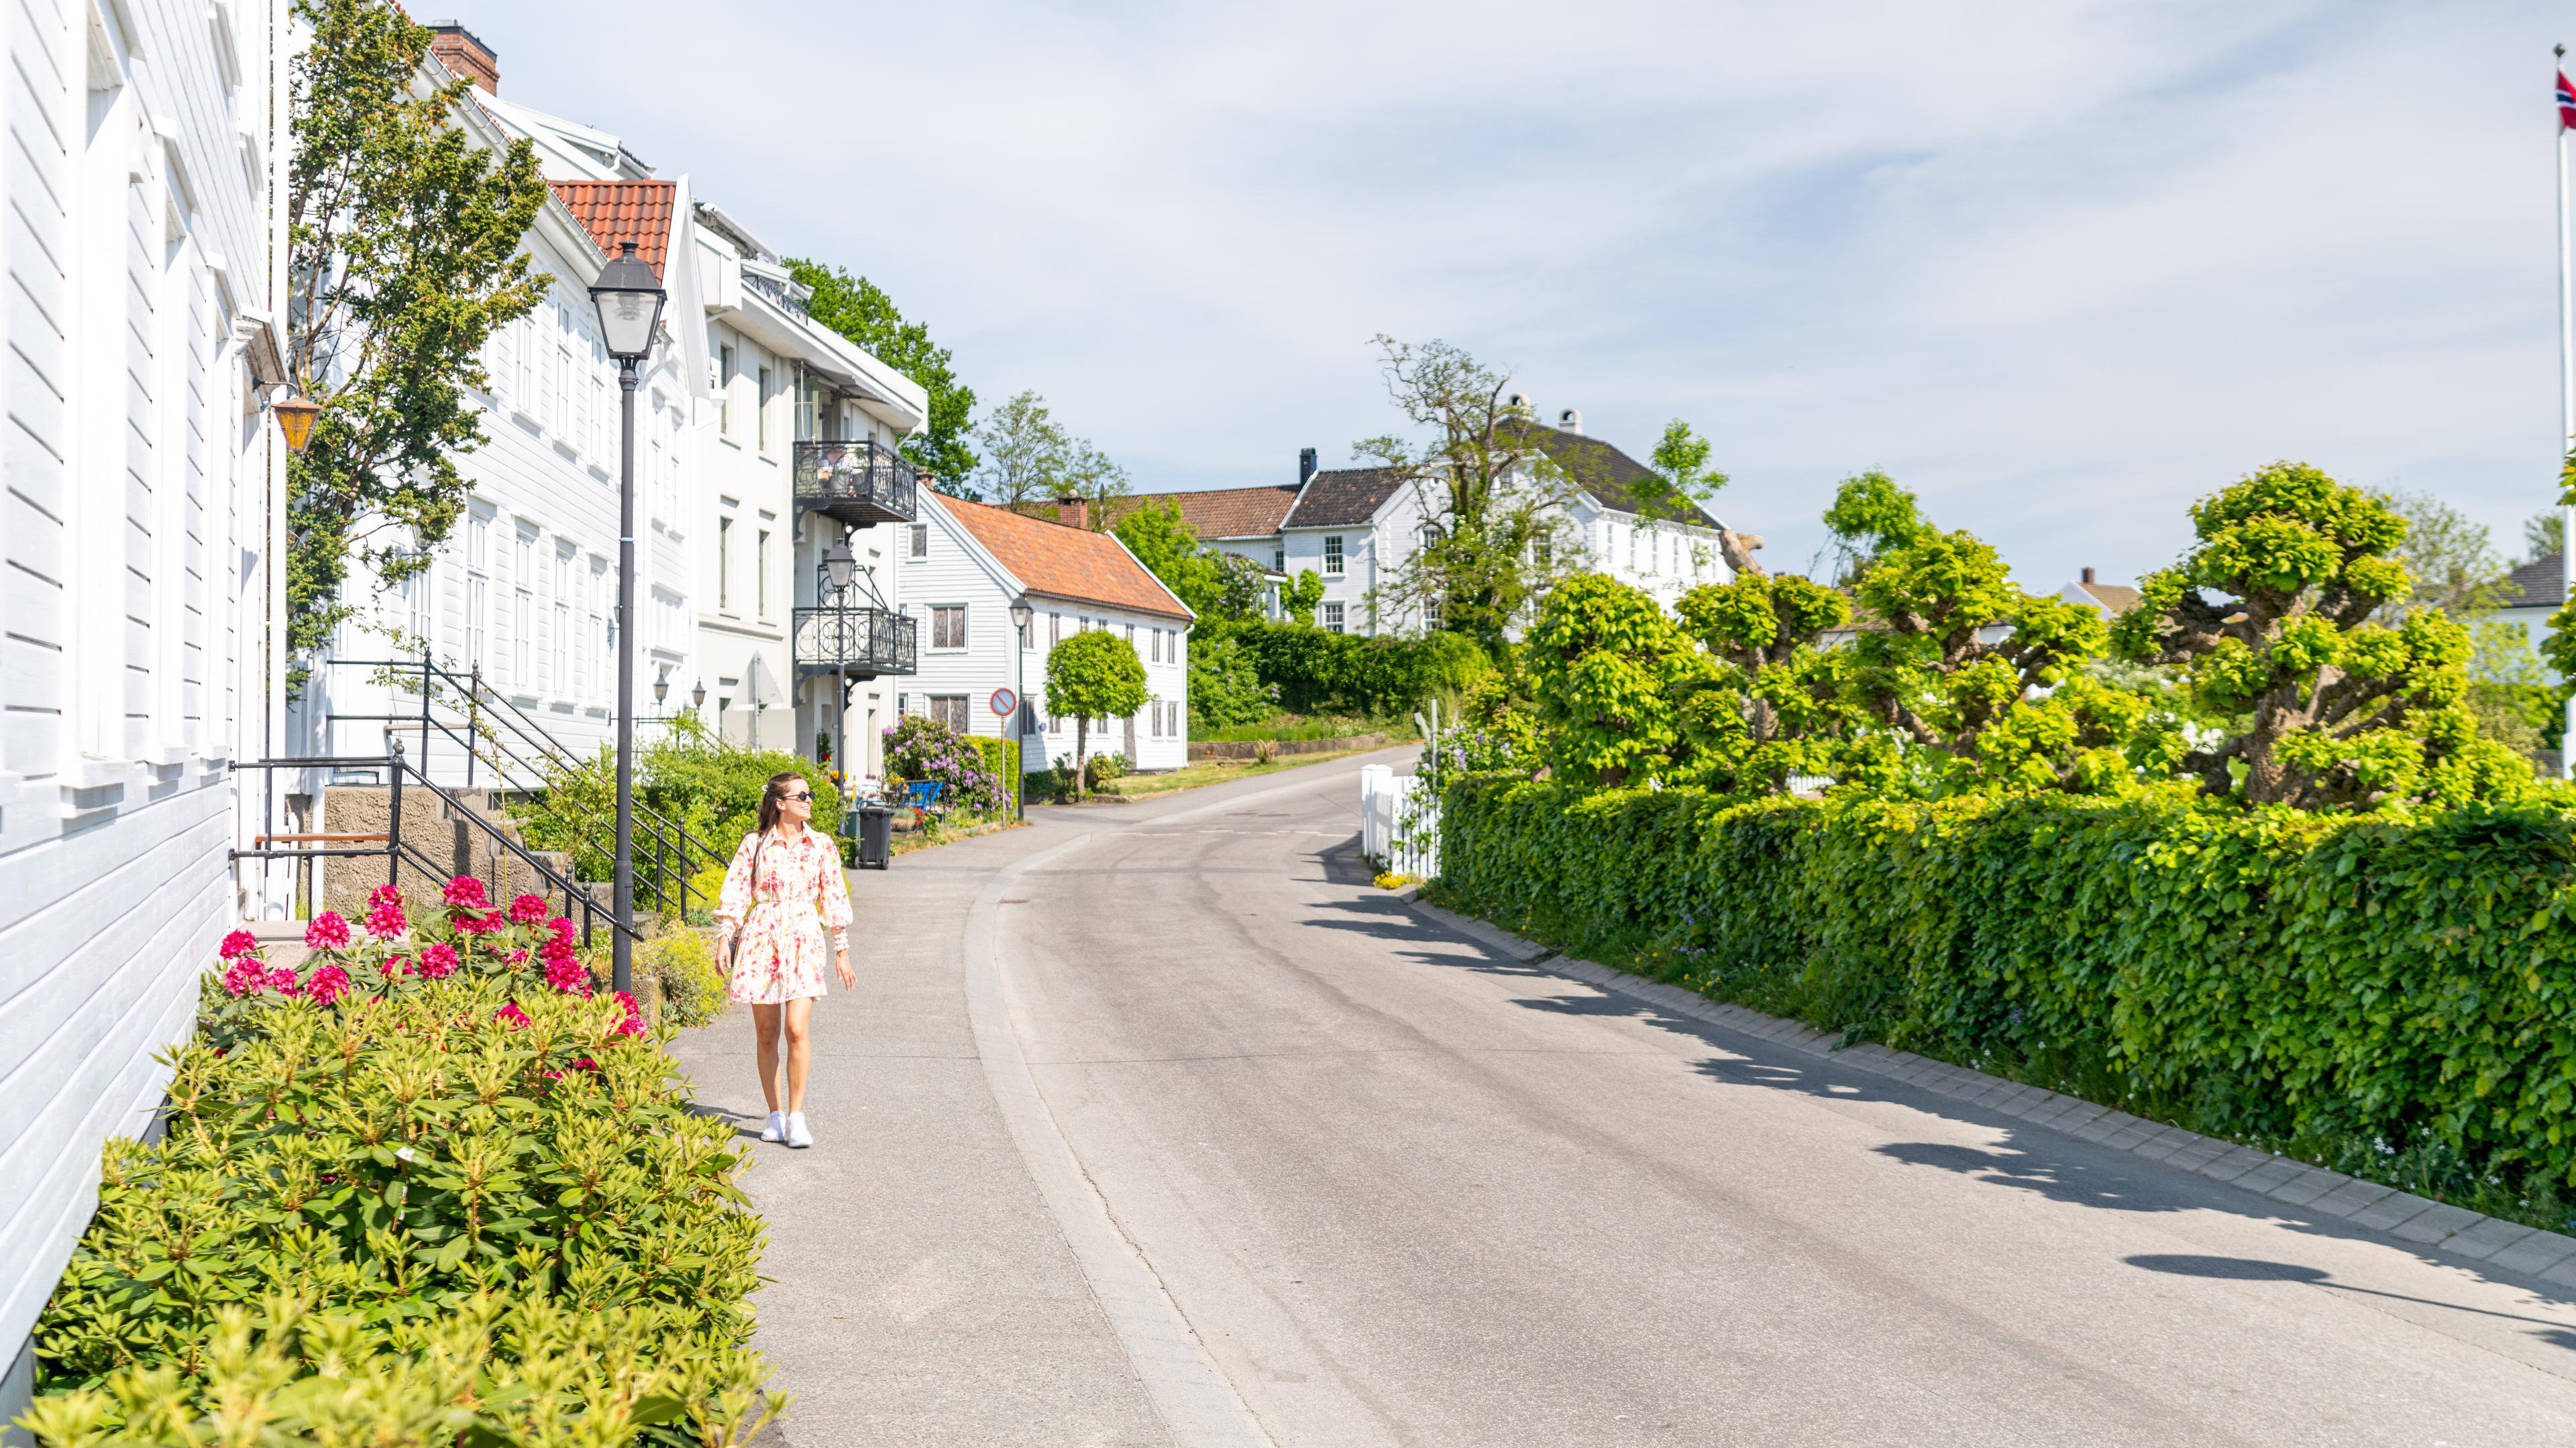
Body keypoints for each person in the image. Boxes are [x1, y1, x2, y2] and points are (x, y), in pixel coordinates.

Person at [713, 771, 855, 1148]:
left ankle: (797, 1117)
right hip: (762, 938)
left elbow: (834, 897)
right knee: (766, 1033)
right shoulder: (755, 845)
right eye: (801, 796)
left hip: (805, 938)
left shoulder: (822, 846)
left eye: (809, 796)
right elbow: (737, 893)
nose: (809, 801)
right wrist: (725, 938)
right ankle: (775, 1115)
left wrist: (842, 949)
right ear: (780, 803)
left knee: (796, 1029)